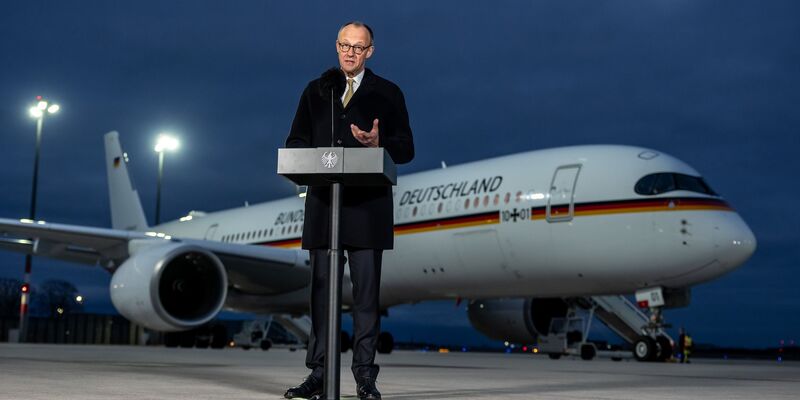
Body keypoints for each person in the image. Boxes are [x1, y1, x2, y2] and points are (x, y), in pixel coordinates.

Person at [283, 21, 414, 400]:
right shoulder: (316, 91)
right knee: (321, 296)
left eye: (359, 47)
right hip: (325, 207)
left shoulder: (388, 93)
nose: (350, 53)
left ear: (370, 51)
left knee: (366, 300)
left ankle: (365, 378)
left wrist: (379, 143)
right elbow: (295, 141)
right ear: (336, 46)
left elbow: (406, 149)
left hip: (367, 211)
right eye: (344, 45)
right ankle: (319, 375)